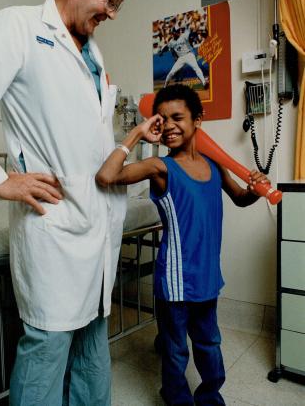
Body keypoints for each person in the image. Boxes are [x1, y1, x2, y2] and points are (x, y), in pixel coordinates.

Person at [0, 0, 128, 405]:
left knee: (91, 341)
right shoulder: (17, 26)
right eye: (112, 0)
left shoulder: (94, 53)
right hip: (55, 223)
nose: (113, 14)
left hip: (99, 223)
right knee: (49, 345)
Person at [96, 84, 269, 406]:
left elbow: (241, 199)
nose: (169, 125)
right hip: (175, 279)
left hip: (207, 275)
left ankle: (209, 394)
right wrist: (136, 134)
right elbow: (106, 177)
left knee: (209, 343)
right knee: (176, 349)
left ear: (197, 121)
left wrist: (256, 189)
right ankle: (175, 396)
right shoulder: (160, 167)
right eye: (161, 119)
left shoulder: (214, 165)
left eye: (178, 117)